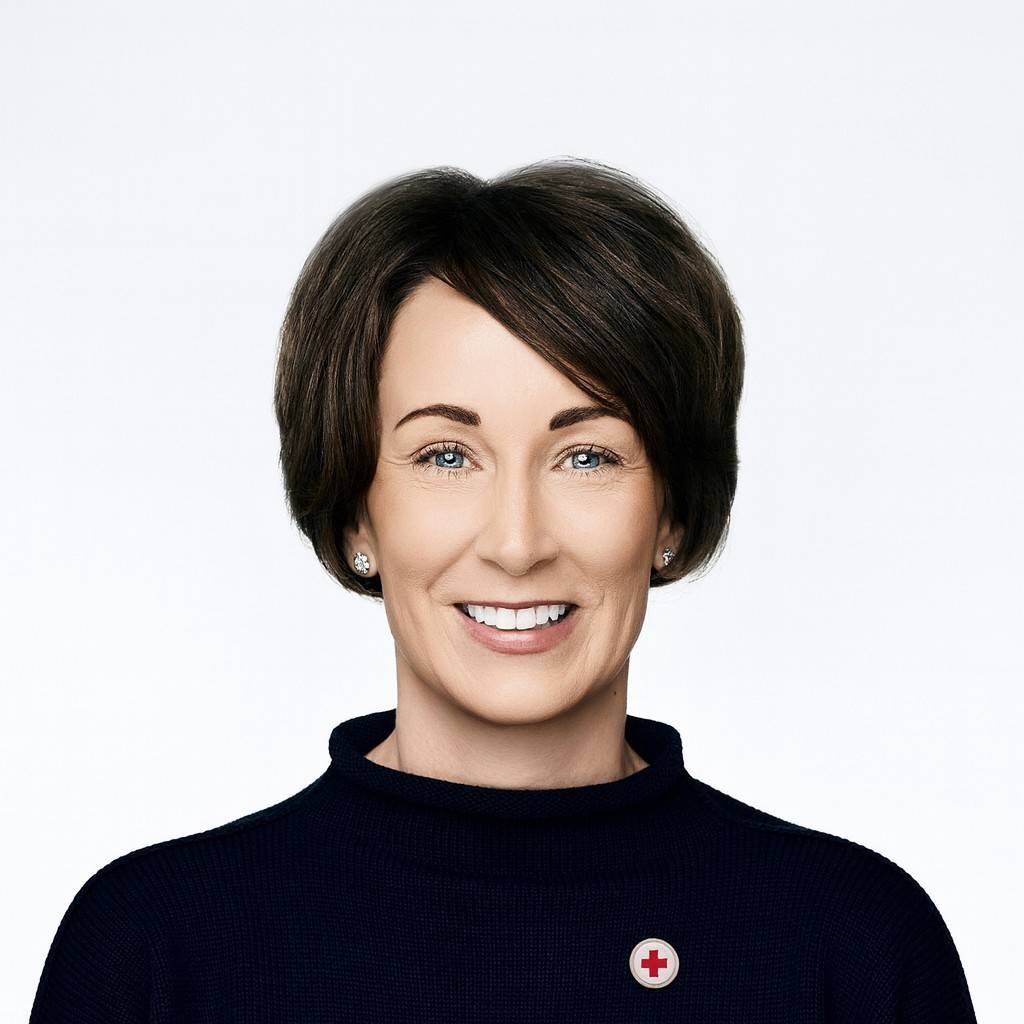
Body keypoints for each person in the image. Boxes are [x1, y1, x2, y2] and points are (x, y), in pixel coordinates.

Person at [28, 158, 977, 1021]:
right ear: (356, 514)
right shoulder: (153, 952)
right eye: (446, 455)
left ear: (674, 512)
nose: (517, 545)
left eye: (587, 456)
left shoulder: (854, 947)